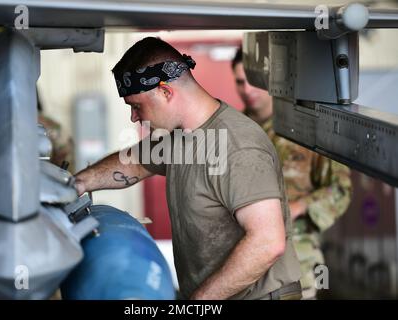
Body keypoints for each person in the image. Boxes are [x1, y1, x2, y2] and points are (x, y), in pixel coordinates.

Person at [74, 37, 302, 300]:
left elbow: (267, 243)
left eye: (137, 106)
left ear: (165, 92)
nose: (134, 117)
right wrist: (76, 184)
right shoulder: (180, 137)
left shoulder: (238, 147)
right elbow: (134, 162)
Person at [231, 47, 352, 299]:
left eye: (254, 82)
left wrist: (299, 206)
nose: (248, 90)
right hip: (242, 272)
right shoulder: (233, 133)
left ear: (270, 82)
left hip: (298, 269)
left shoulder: (306, 130)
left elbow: (341, 189)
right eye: (241, 82)